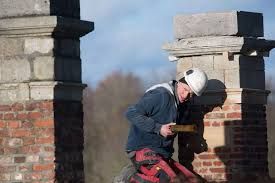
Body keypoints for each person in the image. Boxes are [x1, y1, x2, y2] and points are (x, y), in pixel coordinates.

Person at [125, 68, 208, 183]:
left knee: (193, 181)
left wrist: (194, 138)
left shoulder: (182, 105)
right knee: (172, 180)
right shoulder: (160, 95)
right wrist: (159, 128)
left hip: (163, 155)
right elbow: (131, 113)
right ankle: (133, 180)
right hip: (142, 150)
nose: (185, 96)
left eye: (191, 94)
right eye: (184, 90)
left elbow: (179, 127)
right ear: (179, 82)